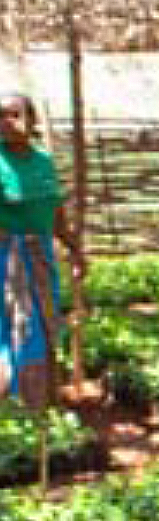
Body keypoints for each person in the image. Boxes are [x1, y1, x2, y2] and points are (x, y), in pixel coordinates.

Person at [0, 92, 80, 411]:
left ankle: (41, 400)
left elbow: (55, 209)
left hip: (41, 256)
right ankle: (19, 403)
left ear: (31, 120)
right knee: (18, 328)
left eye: (14, 115)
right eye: (0, 115)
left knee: (45, 324)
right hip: (8, 258)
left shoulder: (43, 160)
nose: (6, 122)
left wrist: (74, 248)